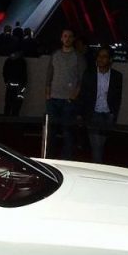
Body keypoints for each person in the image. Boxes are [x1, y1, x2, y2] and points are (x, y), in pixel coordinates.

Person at [45, 28, 86, 159]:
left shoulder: (78, 57)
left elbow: (82, 80)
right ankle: (48, 158)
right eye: (65, 36)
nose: (67, 39)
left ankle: (66, 160)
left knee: (68, 132)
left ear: (73, 39)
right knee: (50, 132)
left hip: (68, 101)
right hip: (53, 99)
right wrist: (48, 95)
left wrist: (73, 97)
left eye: (69, 36)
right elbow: (49, 75)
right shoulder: (55, 55)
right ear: (61, 38)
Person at [78, 45, 123, 164]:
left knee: (100, 145)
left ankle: (97, 165)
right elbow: (83, 95)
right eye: (99, 56)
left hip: (107, 114)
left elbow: (117, 98)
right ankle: (97, 166)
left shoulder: (117, 76)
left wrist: (113, 114)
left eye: (104, 57)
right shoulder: (89, 74)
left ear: (110, 60)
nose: (100, 59)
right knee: (96, 146)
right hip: (93, 113)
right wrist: (82, 114)